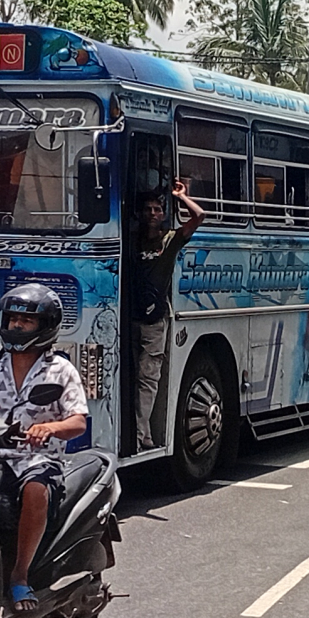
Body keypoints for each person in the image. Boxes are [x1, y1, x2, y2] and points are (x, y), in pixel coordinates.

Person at [0, 279, 89, 606]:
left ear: (45, 326)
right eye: (13, 319)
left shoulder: (61, 370)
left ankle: (19, 576)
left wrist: (48, 428)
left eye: (26, 320)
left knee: (36, 489)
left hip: (38, 459)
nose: (17, 326)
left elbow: (78, 422)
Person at [127, 177, 204, 452]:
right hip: (129, 317)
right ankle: (141, 434)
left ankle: (141, 435)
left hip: (154, 320)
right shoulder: (131, 240)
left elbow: (199, 216)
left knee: (148, 378)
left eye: (157, 210)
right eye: (147, 210)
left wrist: (181, 197)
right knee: (131, 377)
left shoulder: (170, 240)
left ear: (163, 214)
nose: (152, 214)